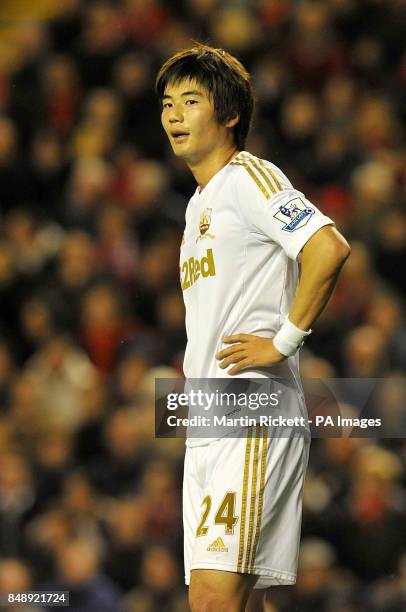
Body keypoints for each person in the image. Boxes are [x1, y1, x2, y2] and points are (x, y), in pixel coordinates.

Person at [155, 44, 350, 612]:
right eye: (167, 103)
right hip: (211, 415)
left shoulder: (248, 177)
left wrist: (284, 341)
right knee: (240, 601)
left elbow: (328, 247)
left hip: (250, 408)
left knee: (215, 602)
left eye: (191, 101)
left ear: (230, 113)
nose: (174, 115)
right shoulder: (197, 206)